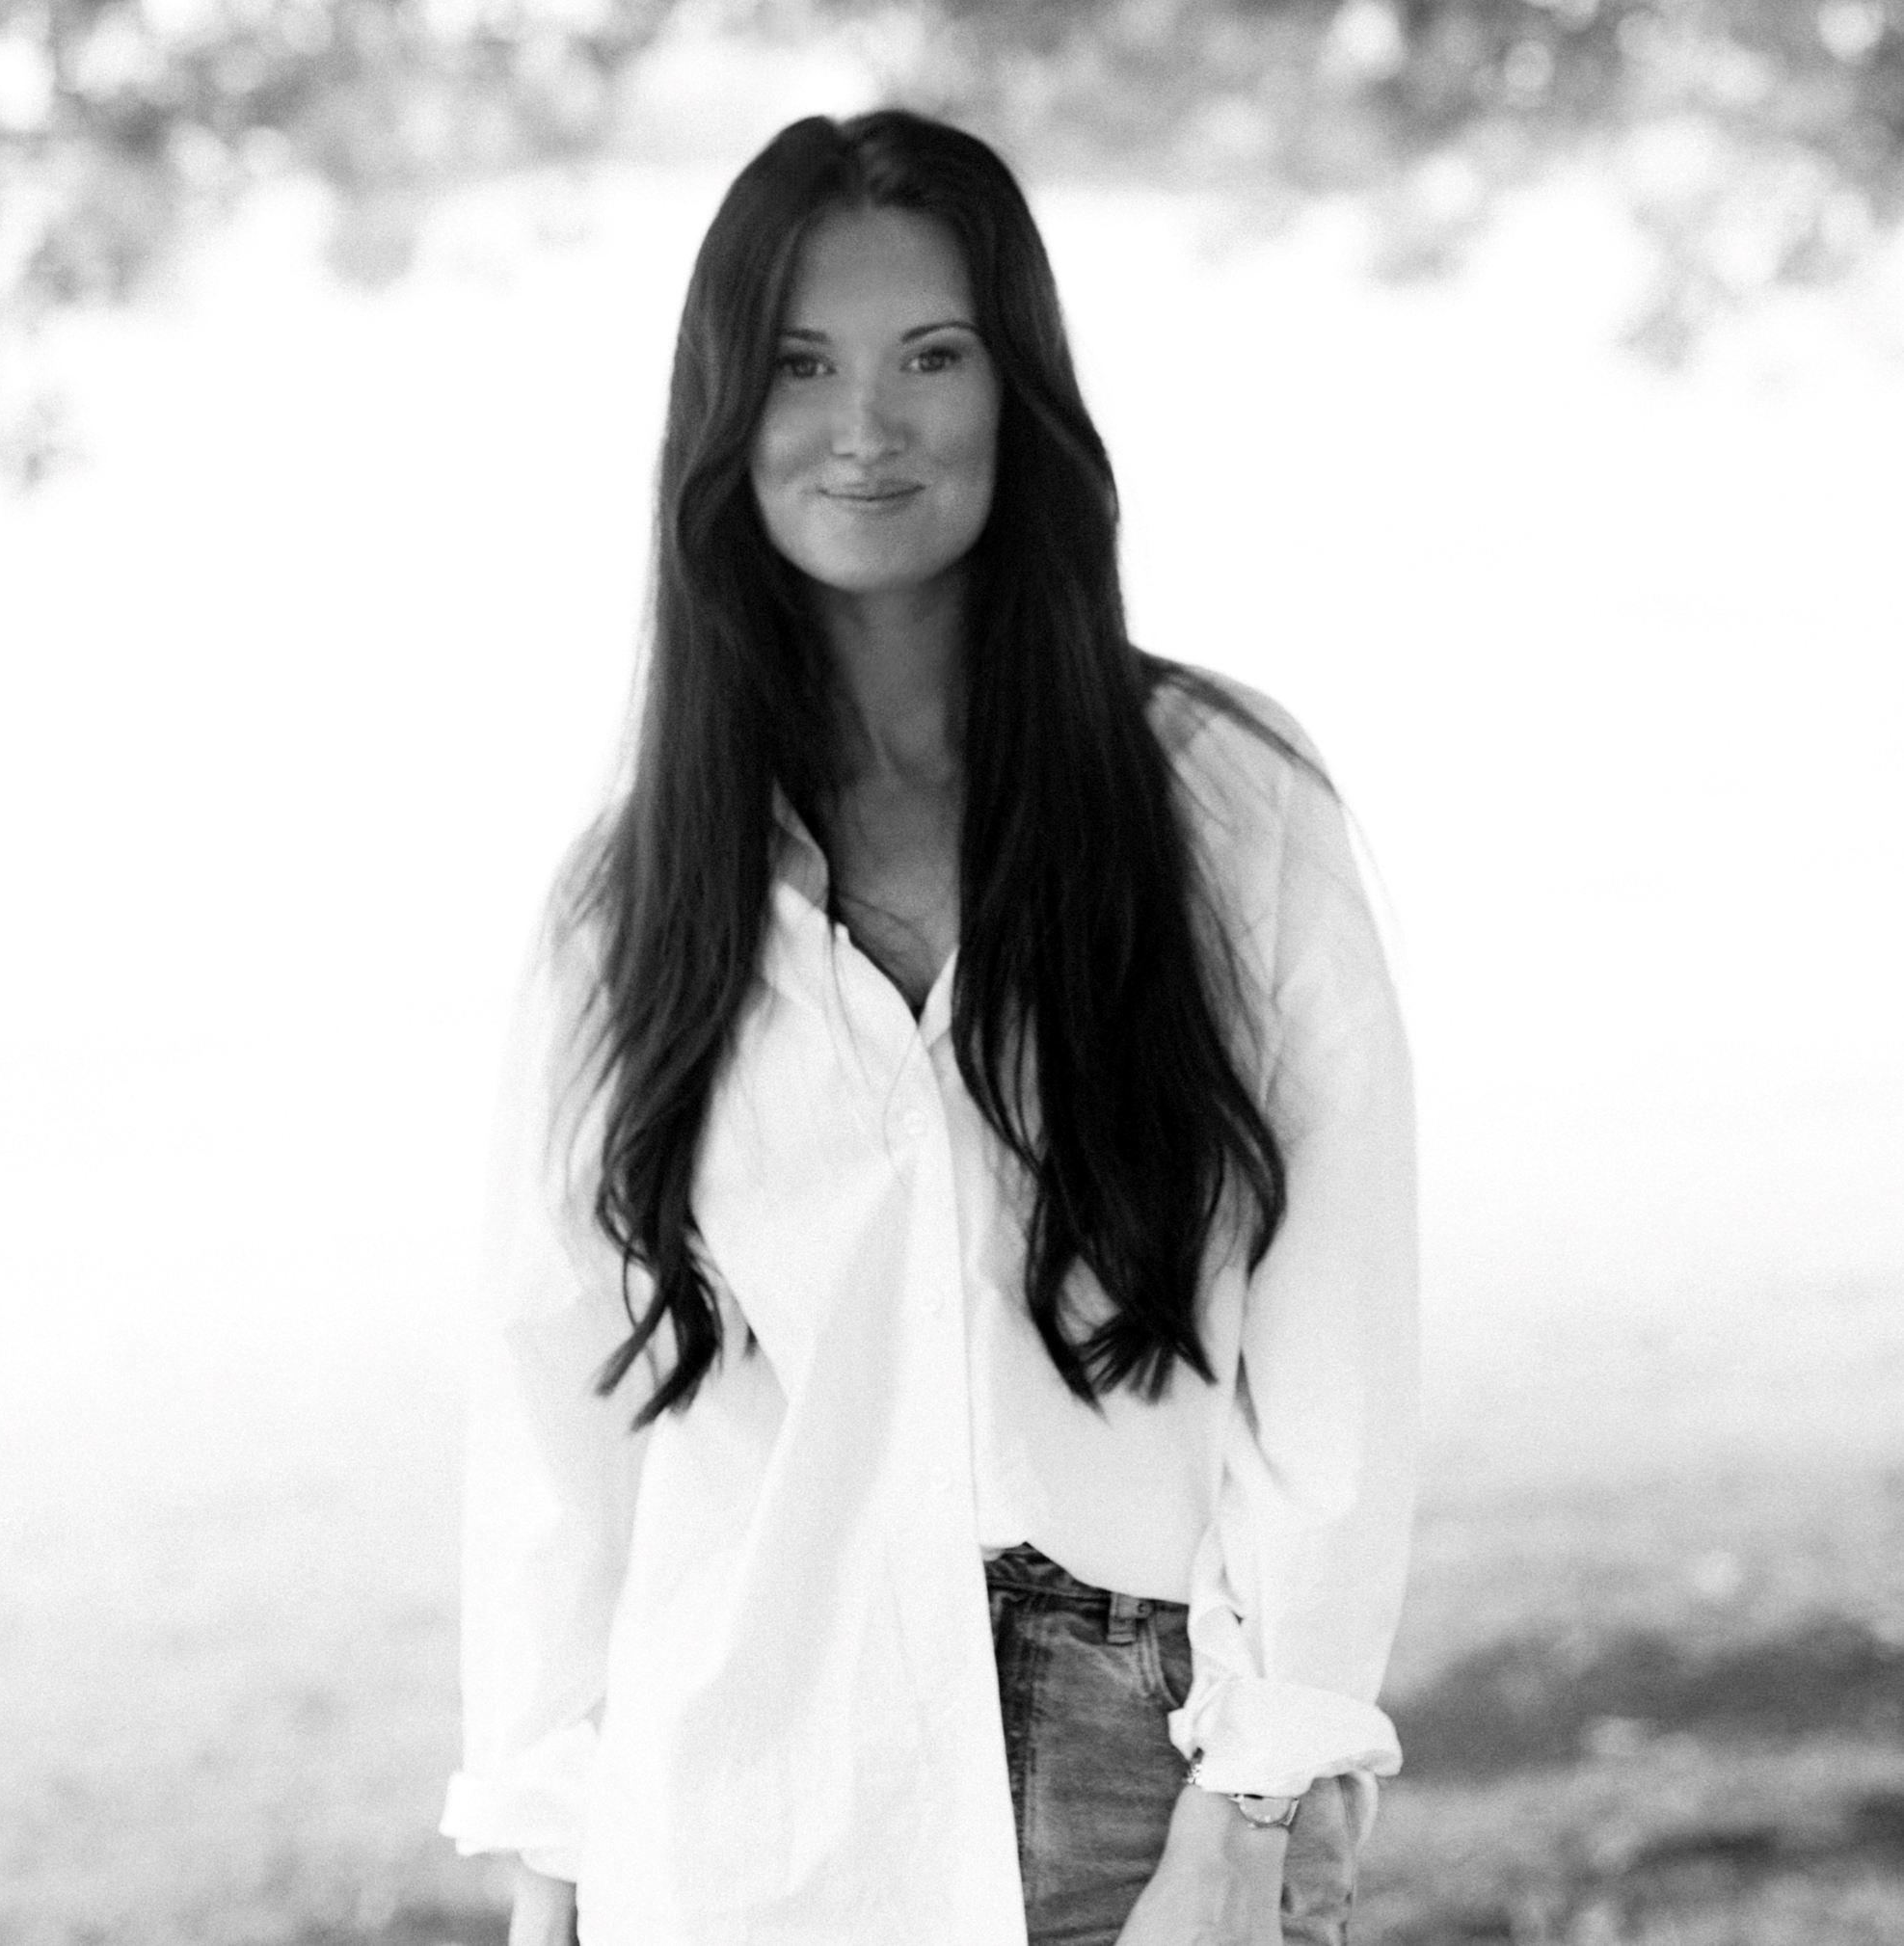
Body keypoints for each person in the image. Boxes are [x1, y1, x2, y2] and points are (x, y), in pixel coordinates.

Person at [440, 108, 1418, 1946]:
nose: (865, 425)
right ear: (724, 414)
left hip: (1141, 1755)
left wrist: (1254, 1798)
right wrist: (548, 1857)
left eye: (931, 356)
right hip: (744, 1790)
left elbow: (1333, 1323)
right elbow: (556, 1389)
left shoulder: (1223, 802)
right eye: (801, 364)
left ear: (1015, 391)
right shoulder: (631, 903)